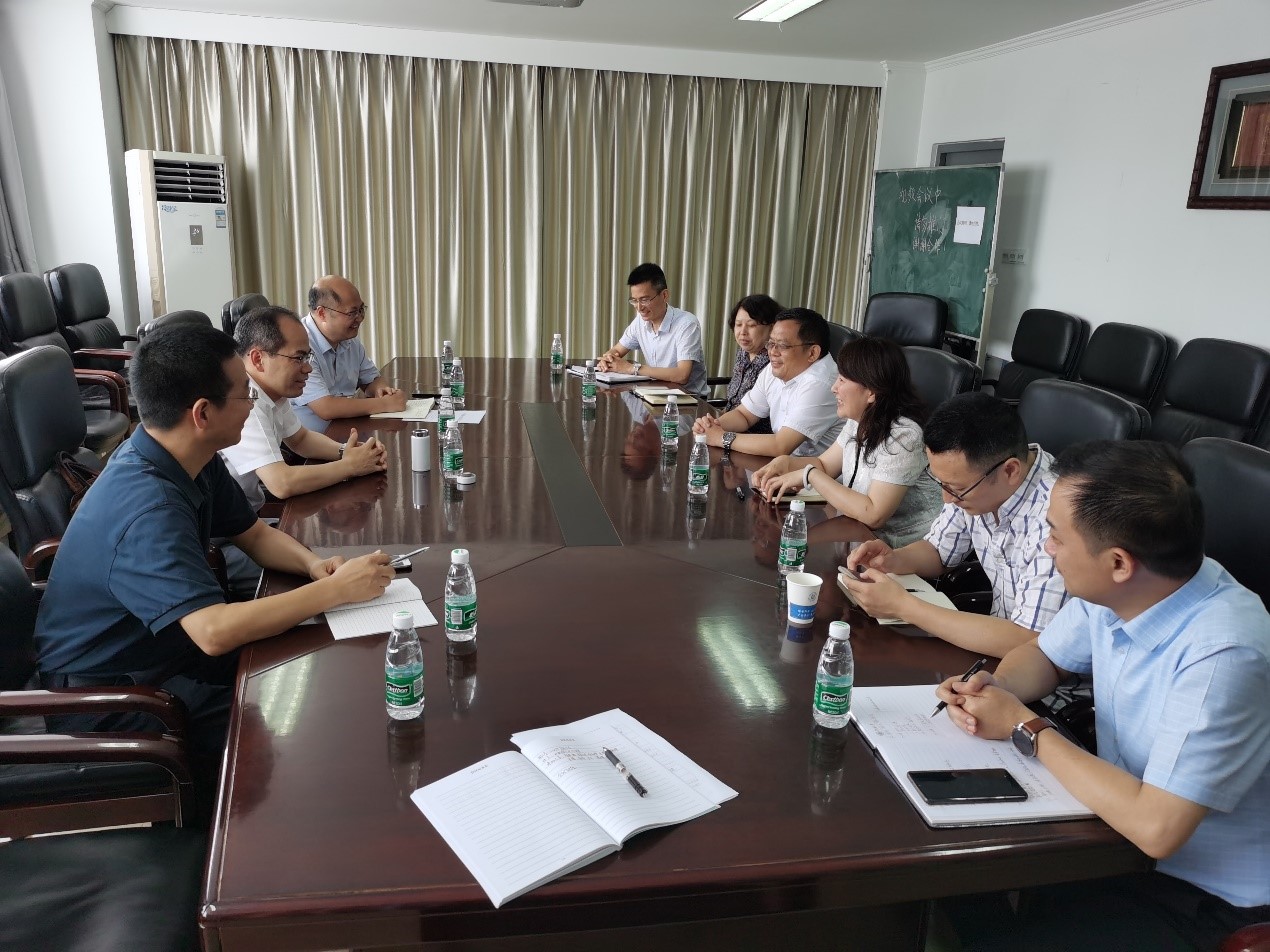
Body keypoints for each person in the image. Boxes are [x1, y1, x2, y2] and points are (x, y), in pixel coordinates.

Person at [33, 323, 396, 816]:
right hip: (111, 697)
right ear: (202, 413)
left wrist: (316, 567)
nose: (252, 404)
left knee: (313, 669)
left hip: (164, 650)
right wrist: (337, 592)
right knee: (293, 740)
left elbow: (254, 534)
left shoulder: (188, 455)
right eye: (245, 394)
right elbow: (214, 632)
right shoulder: (146, 505)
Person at [937, 440, 1270, 952]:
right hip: (1111, 840)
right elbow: (1045, 656)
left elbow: (1158, 828)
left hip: (1198, 895)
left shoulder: (1225, 653)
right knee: (950, 883)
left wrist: (1027, 727)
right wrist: (997, 688)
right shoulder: (1130, 586)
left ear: (1118, 562)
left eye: (1056, 536)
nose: (1047, 548)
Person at [842, 392, 1067, 657]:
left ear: (1010, 471)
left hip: (1035, 664)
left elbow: (1031, 642)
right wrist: (894, 559)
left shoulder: (1058, 519)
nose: (947, 499)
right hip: (991, 643)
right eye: (942, 484)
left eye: (956, 489)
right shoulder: (975, 481)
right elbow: (939, 550)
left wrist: (905, 607)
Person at [753, 337, 942, 546]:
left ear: (871, 392)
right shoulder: (859, 420)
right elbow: (825, 465)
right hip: (858, 539)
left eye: (842, 380)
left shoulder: (904, 437)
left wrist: (809, 475)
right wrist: (786, 463)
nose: (834, 388)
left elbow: (874, 514)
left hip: (902, 551)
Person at [222, 305, 388, 513]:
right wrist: (351, 466)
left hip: (244, 516)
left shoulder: (270, 391)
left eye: (308, 357)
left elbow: (300, 439)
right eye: (298, 358)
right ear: (258, 359)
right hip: (225, 525)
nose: (308, 368)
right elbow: (281, 483)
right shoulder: (244, 401)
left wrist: (348, 451)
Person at [692, 307, 843, 458]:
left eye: (783, 345)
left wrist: (720, 437)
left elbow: (780, 446)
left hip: (811, 470)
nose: (772, 352)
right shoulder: (776, 367)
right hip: (782, 464)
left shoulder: (822, 384)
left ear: (812, 353)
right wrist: (712, 427)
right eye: (771, 343)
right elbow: (744, 415)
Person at [292, 274, 406, 430]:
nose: (359, 318)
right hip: (312, 439)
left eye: (361, 310)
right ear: (322, 313)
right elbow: (326, 408)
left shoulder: (348, 339)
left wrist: (383, 391)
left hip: (348, 429)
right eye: (352, 313)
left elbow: (371, 379)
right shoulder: (299, 343)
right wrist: (384, 404)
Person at [597, 262, 707, 396]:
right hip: (654, 394)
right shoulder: (640, 321)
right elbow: (617, 350)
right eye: (634, 301)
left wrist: (632, 368)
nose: (639, 308)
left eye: (644, 300)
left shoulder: (687, 323)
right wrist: (607, 359)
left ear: (664, 295)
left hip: (687, 400)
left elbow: (682, 375)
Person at [722, 293, 783, 434]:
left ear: (772, 328)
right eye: (738, 324)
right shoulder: (743, 352)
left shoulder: (775, 361)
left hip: (755, 436)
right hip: (731, 423)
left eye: (751, 325)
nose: (742, 332)